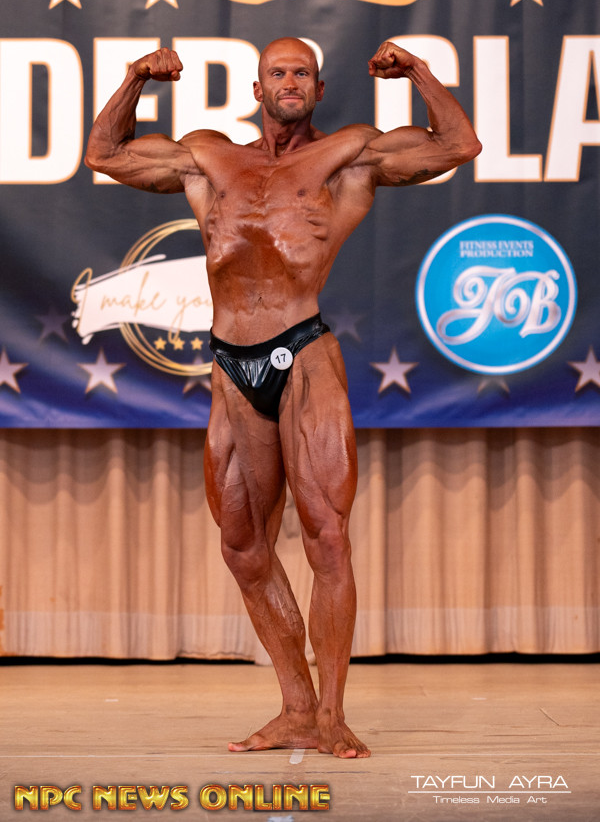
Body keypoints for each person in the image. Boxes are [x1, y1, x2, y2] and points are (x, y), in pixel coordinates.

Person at [85, 37, 481, 759]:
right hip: (229, 364)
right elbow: (104, 154)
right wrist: (136, 76)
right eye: (278, 72)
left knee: (327, 537)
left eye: (302, 72)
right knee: (243, 546)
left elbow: (459, 144)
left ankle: (332, 714)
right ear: (258, 87)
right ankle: (296, 706)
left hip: (303, 355)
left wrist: (418, 72)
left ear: (319, 89)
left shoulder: (349, 156)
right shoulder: (208, 157)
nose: (290, 81)